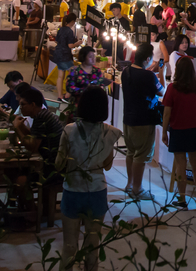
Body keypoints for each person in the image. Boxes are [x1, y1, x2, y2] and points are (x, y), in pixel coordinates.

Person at [56, 86, 121, 271]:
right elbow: (107, 165)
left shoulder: (69, 130)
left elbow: (58, 164)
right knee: (92, 246)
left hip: (73, 190)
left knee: (69, 247)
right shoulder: (111, 132)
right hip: (97, 191)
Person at [161, 57, 196, 209]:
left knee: (180, 165)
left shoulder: (172, 88)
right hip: (194, 129)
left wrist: (164, 132)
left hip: (177, 130)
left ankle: (182, 200)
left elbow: (167, 113)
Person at [11, 86, 64, 211]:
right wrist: (22, 127)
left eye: (23, 104)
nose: (21, 108)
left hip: (53, 169)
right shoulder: (43, 114)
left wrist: (17, 128)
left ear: (33, 104)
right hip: (52, 163)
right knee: (14, 171)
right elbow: (35, 136)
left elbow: (33, 147)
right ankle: (24, 209)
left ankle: (31, 212)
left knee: (20, 180)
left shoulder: (41, 118)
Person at [121, 43, 163, 199]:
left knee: (131, 152)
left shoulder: (126, 72)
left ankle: (130, 184)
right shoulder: (148, 76)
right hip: (144, 120)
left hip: (128, 119)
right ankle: (137, 189)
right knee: (140, 155)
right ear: (147, 59)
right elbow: (162, 91)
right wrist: (161, 73)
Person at [53, 13, 81, 100]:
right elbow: (70, 46)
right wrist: (78, 43)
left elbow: (57, 41)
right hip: (65, 55)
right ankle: (68, 95)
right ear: (72, 22)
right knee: (72, 75)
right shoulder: (69, 31)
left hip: (58, 54)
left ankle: (60, 95)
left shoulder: (60, 29)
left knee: (60, 76)